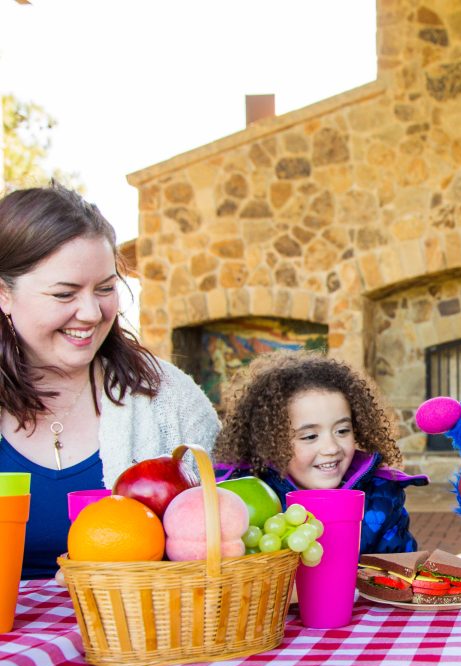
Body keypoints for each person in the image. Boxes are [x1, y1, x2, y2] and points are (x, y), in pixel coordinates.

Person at [0, 184, 219, 579]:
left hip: (142, 633)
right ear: (4, 295)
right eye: (65, 294)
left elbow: (225, 541)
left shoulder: (168, 399)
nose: (91, 312)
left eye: (105, 289)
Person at [214, 350, 427, 555]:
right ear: (270, 443)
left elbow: (402, 570)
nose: (332, 447)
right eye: (310, 436)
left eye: (342, 431)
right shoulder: (244, 501)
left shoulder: (383, 496)